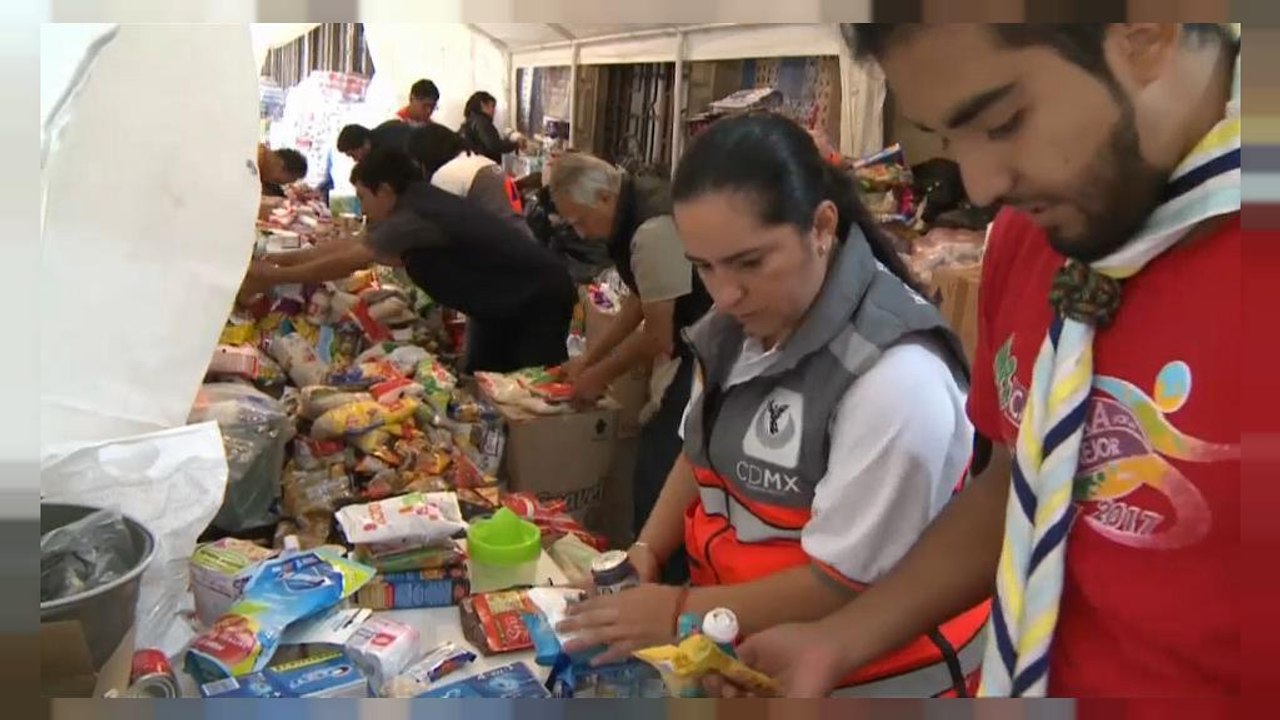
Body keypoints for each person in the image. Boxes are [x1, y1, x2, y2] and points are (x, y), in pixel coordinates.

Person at [710, 23, 1241, 699]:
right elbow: (1020, 480)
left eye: (1005, 119)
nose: (983, 187)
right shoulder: (1036, 237)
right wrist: (837, 642)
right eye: (948, 136)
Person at [554, 113, 986, 697]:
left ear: (822, 227)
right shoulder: (737, 327)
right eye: (704, 266)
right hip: (760, 654)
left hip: (880, 682)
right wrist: (645, 551)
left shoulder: (895, 379)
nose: (725, 293)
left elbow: (840, 583)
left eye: (750, 262)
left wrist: (680, 610)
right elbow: (697, 452)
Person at [240, 149, 576, 373]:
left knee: (531, 388)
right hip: (498, 303)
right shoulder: (413, 204)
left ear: (384, 190)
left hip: (537, 298)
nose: (362, 208)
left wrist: (269, 276)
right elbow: (350, 246)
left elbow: (350, 260)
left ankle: (544, 468)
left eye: (362, 198)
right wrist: (278, 261)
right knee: (484, 376)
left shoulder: (414, 215)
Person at [547, 152, 713, 581]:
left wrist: (597, 376)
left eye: (581, 222)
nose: (582, 233)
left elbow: (658, 334)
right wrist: (589, 358)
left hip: (702, 352)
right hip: (690, 344)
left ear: (604, 197)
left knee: (659, 474)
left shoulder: (652, 228)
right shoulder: (633, 212)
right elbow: (641, 299)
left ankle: (660, 584)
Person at [408, 122, 528, 226]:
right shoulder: (485, 162)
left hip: (496, 245)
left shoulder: (446, 174)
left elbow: (443, 224)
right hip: (522, 238)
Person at [459, 91, 524, 164]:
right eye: (492, 106)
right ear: (483, 104)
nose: (494, 111)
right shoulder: (481, 122)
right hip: (483, 166)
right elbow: (494, 145)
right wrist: (516, 144)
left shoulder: (468, 122)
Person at [336, 121, 416, 164]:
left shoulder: (384, 153)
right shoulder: (386, 129)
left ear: (365, 144)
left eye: (353, 155)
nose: (355, 160)